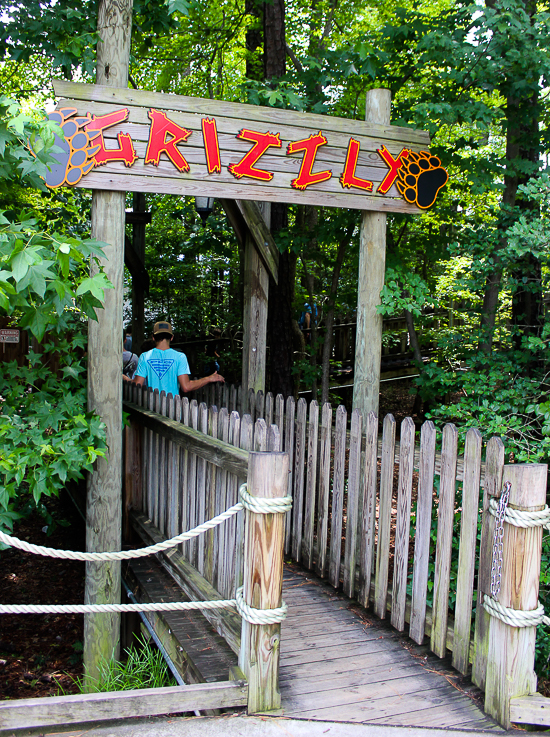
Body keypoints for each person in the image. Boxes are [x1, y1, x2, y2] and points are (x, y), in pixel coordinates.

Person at [133, 321, 224, 396]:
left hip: (151, 409)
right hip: (173, 409)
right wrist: (209, 378)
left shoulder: (144, 357)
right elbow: (186, 387)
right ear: (172, 337)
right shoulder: (180, 357)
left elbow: (137, 384)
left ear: (153, 337)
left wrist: (125, 378)